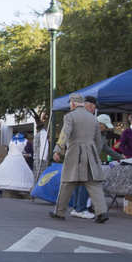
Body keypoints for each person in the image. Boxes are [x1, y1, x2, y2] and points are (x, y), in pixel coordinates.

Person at [50, 93, 109, 223]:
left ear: (73, 103)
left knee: (67, 182)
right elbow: (99, 142)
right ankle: (102, 212)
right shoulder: (93, 118)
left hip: (74, 153)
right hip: (91, 153)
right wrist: (94, 153)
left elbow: (65, 134)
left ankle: (59, 212)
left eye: (70, 103)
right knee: (93, 184)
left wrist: (58, 150)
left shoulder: (70, 116)